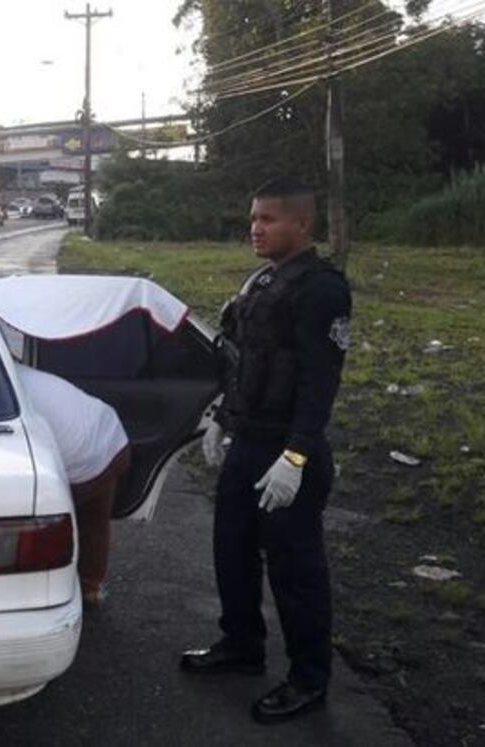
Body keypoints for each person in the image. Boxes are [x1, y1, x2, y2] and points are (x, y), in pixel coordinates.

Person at [181, 177, 352, 724]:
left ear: (302, 224)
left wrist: (297, 456)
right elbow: (244, 362)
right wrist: (219, 417)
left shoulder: (321, 289)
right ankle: (242, 646)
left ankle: (308, 678)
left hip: (288, 453)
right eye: (254, 218)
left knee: (295, 571)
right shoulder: (262, 282)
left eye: (269, 219)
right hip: (247, 441)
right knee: (231, 550)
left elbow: (319, 381)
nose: (256, 228)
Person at [14, 363, 131, 607]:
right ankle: (91, 588)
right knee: (94, 521)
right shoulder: (15, 369)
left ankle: (43, 595)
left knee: (39, 527)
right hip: (111, 435)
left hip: (83, 459)